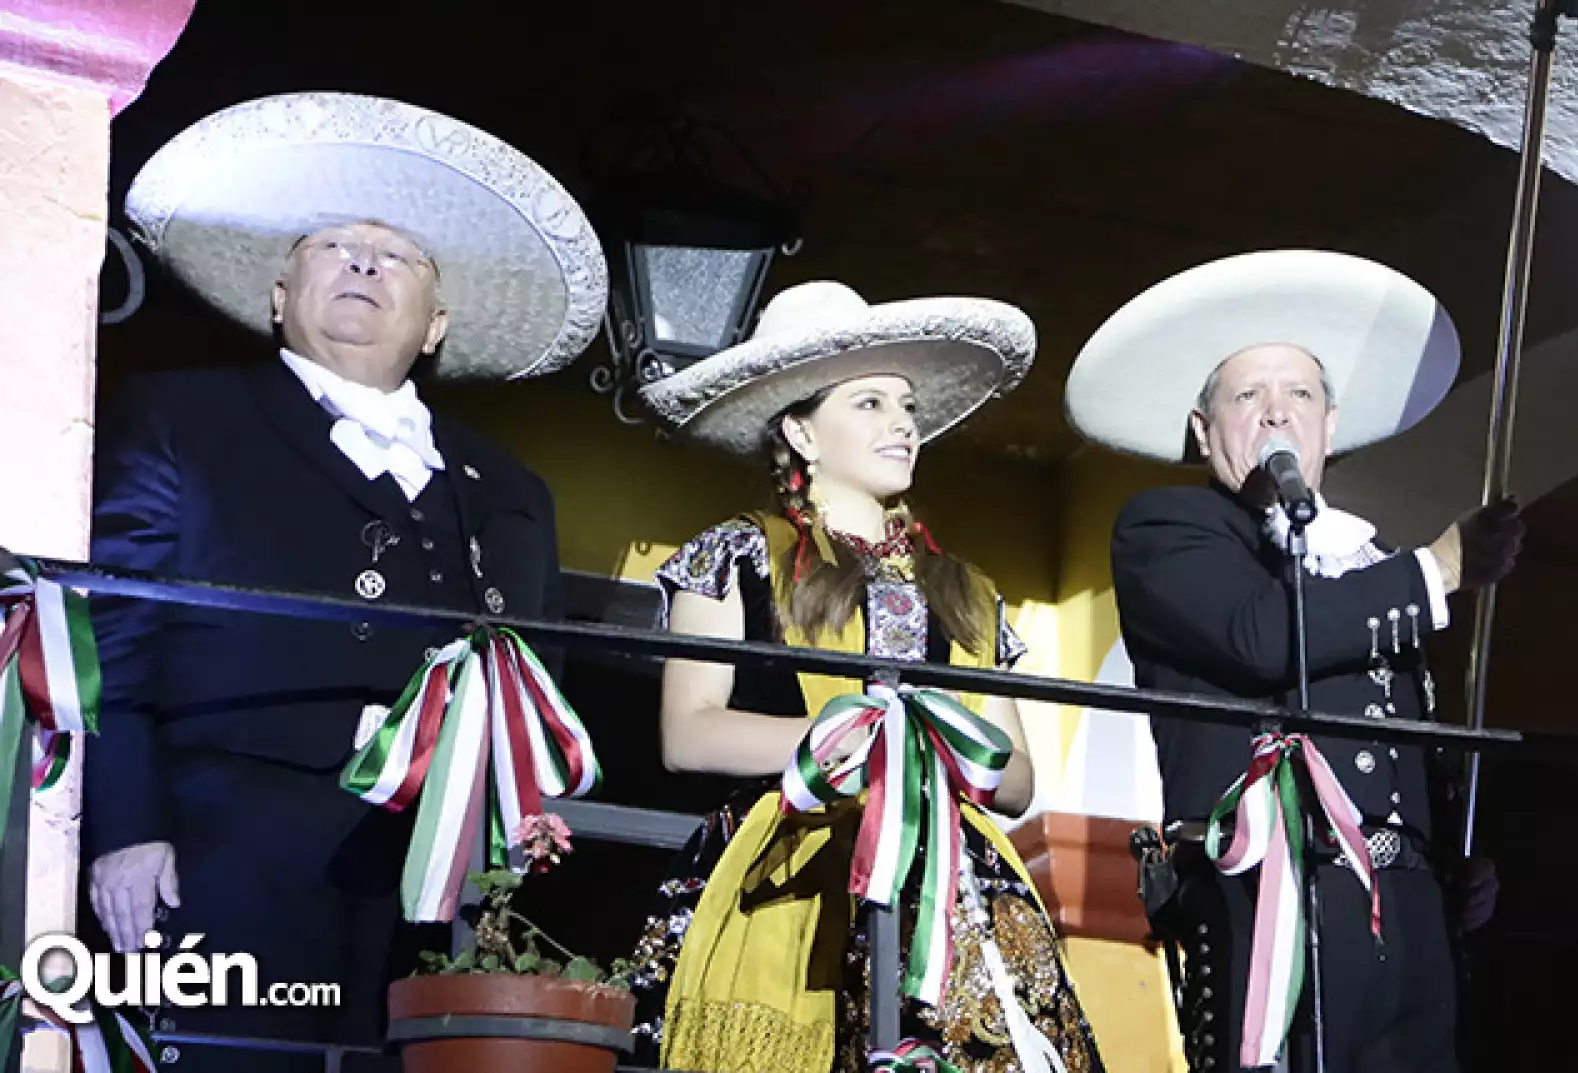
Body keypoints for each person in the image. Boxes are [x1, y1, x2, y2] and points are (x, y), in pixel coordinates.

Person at [84, 91, 606, 1071]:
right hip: (223, 846)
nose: (363, 262)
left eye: (396, 255)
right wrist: (127, 828)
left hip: (424, 871)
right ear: (280, 296)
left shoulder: (508, 485)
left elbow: (540, 676)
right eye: (330, 246)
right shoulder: (179, 416)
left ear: (437, 320)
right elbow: (111, 636)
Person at [624, 280, 1105, 1073]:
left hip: (952, 883)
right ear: (801, 433)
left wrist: (935, 749)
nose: (904, 424)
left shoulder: (969, 589)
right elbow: (690, 731)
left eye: (907, 406)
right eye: (871, 404)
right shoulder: (737, 554)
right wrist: (862, 737)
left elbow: (1018, 779)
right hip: (791, 860)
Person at [1064, 249, 1521, 1073]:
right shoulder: (1167, 530)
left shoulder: (1360, 559)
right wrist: (1438, 568)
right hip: (1269, 914)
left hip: (1411, 929)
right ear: (1204, 430)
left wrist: (1450, 864)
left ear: (1331, 424)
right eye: (1248, 395)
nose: (1277, 414)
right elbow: (1262, 635)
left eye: (1300, 393)